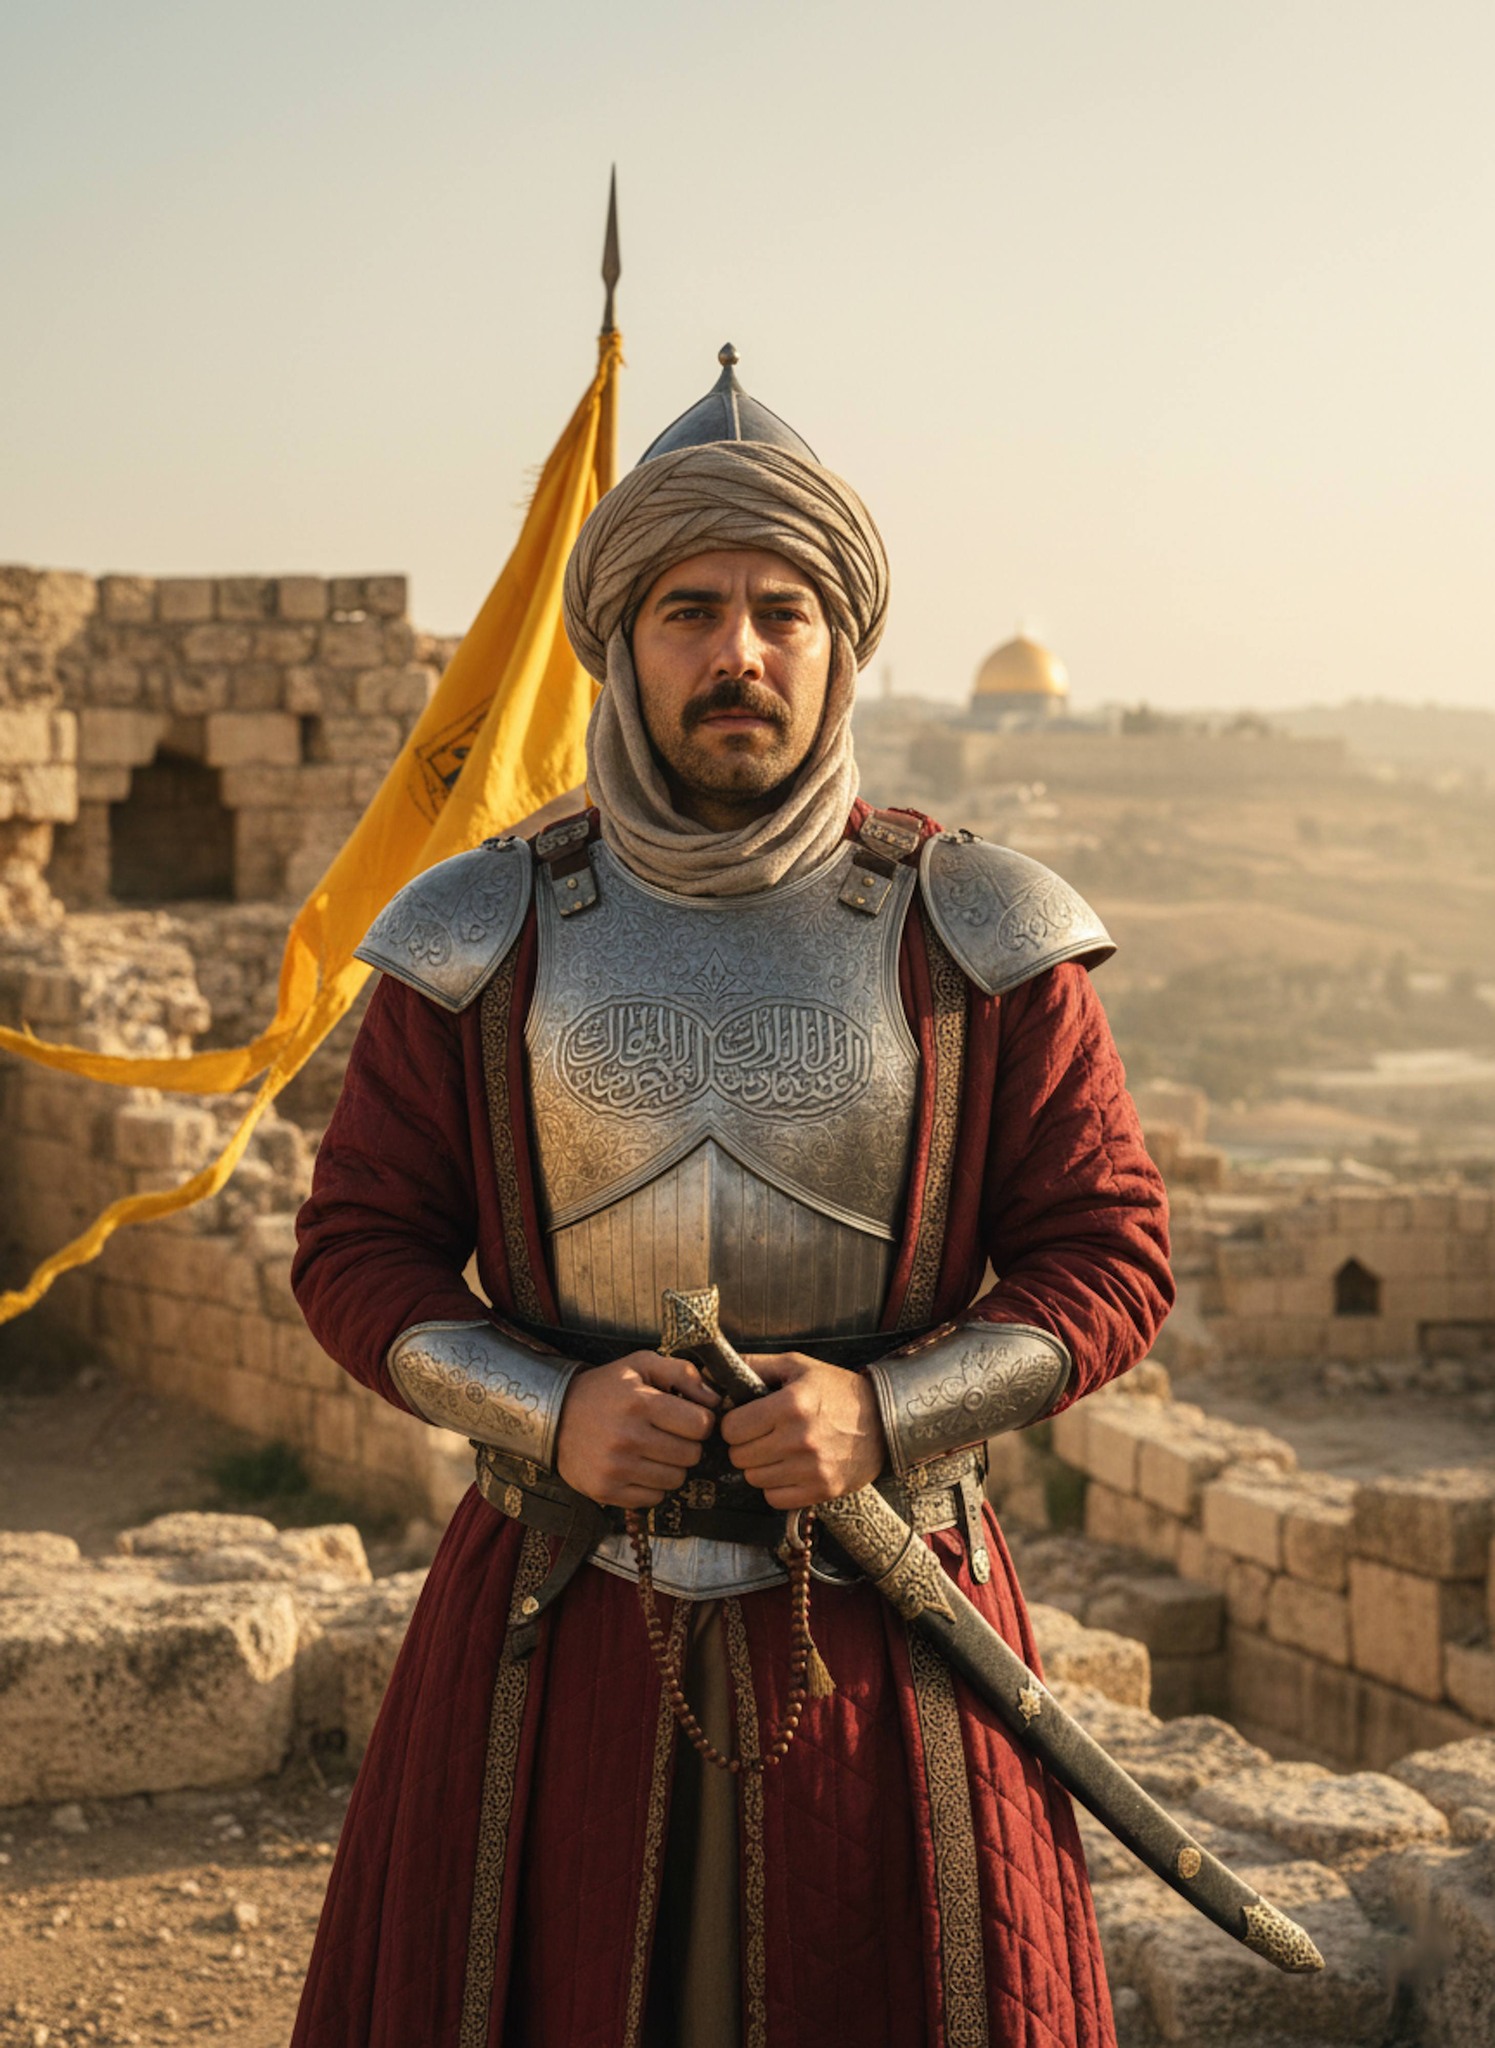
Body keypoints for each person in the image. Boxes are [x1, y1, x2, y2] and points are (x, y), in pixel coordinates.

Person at [290, 348, 1174, 2048]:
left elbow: (1108, 1253)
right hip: (558, 1601)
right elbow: (358, 1251)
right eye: (690, 609)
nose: (740, 652)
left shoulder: (969, 926)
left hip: (886, 1602)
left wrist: (885, 1408)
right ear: (620, 642)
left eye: (783, 610)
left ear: (841, 645)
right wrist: (548, 1407)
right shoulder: (486, 930)